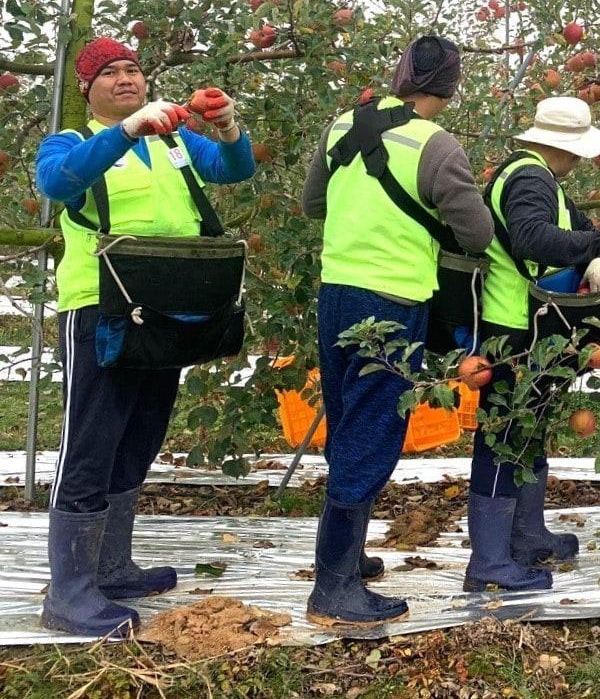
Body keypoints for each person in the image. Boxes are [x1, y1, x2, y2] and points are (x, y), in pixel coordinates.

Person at [35, 37, 254, 637]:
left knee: (139, 437)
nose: (126, 78)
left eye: (133, 69)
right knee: (91, 442)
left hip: (165, 311)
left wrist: (231, 128)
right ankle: (69, 593)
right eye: (110, 73)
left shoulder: (175, 139)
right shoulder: (73, 144)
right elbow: (56, 185)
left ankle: (111, 567)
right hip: (99, 310)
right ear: (87, 89)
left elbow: (235, 170)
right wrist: (125, 131)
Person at [301, 35, 494, 625]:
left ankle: (346, 557)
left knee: (346, 418)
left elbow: (314, 204)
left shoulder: (343, 127)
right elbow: (477, 234)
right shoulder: (434, 146)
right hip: (391, 302)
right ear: (450, 86)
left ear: (399, 76)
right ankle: (332, 589)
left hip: (336, 292)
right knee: (375, 429)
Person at [466, 95, 600, 593]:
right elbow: (531, 238)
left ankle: (526, 536)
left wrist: (594, 249)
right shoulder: (528, 178)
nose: (583, 159)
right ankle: (490, 562)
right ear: (562, 146)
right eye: (580, 149)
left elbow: (578, 226)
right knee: (503, 437)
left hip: (536, 328)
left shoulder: (543, 180)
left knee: (528, 429)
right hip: (513, 330)